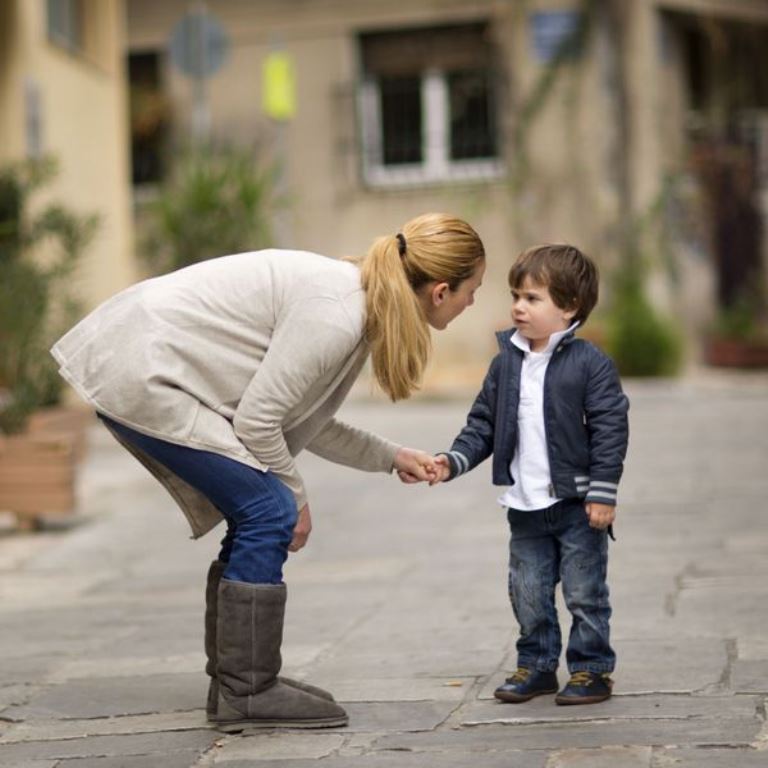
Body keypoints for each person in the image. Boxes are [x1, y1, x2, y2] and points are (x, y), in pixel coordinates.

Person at [51, 212, 486, 731]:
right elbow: (260, 420)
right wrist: (296, 500)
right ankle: (249, 688)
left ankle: (237, 680)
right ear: (440, 291)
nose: (473, 302)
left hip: (146, 364)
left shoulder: (356, 304)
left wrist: (391, 456)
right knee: (269, 509)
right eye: (473, 290)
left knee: (258, 508)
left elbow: (304, 418)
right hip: (143, 370)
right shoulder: (338, 312)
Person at [429, 244, 628, 706]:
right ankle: (537, 665)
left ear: (569, 307)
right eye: (516, 295)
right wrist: (453, 460)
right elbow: (482, 424)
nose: (518, 306)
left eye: (533, 298)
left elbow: (610, 429)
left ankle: (590, 669)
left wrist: (603, 492)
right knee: (529, 591)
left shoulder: (590, 364)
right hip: (525, 505)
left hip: (577, 504)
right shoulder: (506, 365)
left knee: (584, 591)